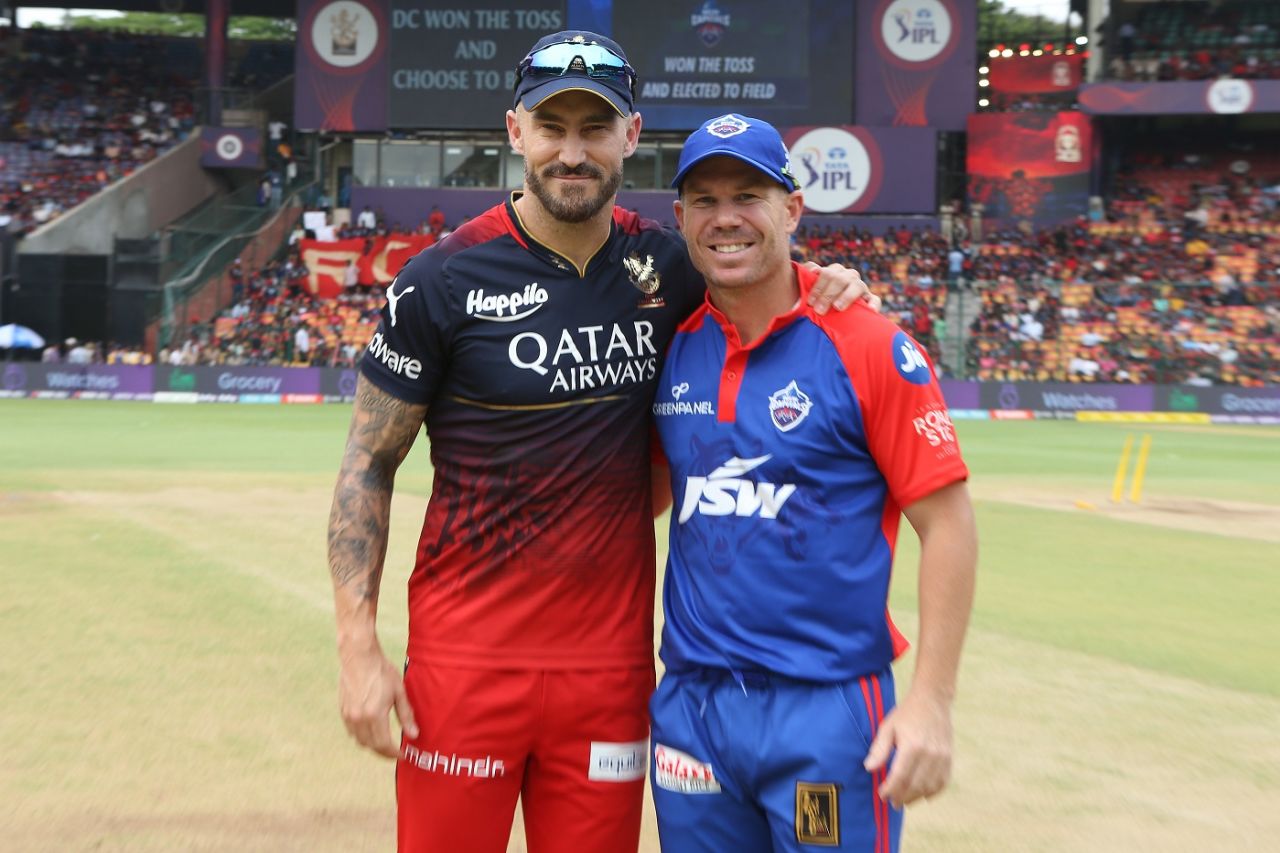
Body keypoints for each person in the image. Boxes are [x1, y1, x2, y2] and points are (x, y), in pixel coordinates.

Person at [326, 31, 873, 853]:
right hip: (465, 663)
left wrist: (835, 285)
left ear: (631, 134)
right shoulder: (441, 279)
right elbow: (367, 463)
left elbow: (766, 276)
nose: (572, 152)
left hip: (610, 676)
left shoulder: (672, 269)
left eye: (595, 129)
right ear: (516, 131)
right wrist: (356, 646)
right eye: (553, 127)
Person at [648, 115, 978, 853]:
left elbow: (949, 524)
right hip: (692, 709)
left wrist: (931, 701)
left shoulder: (870, 345)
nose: (726, 217)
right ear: (681, 218)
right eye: (704, 200)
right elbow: (649, 496)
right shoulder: (671, 345)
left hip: (825, 710)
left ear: (792, 208)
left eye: (748, 196)